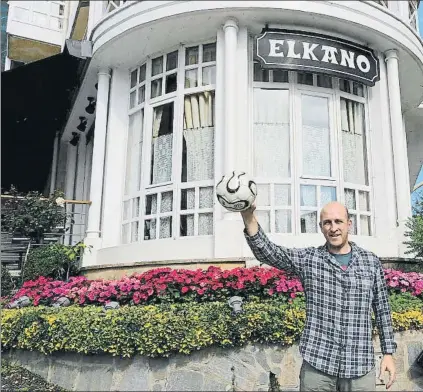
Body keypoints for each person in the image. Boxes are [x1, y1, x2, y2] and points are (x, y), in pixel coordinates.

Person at [241, 201, 396, 392]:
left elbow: (382, 309)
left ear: (349, 223)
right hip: (318, 366)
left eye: (338, 221)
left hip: (360, 367)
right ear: (321, 227)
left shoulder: (370, 262)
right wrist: (248, 216)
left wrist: (388, 353)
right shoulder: (310, 260)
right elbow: (269, 253)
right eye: (327, 223)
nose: (333, 228)